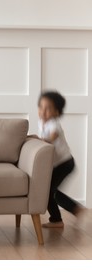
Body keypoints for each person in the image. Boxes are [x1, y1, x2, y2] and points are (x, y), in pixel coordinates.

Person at [35, 90, 85, 228]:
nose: (43, 112)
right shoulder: (41, 122)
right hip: (58, 165)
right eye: (41, 107)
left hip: (65, 163)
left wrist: (39, 140)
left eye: (48, 108)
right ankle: (65, 215)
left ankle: (63, 216)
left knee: (49, 191)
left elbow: (52, 137)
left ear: (56, 112)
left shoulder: (53, 123)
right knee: (49, 191)